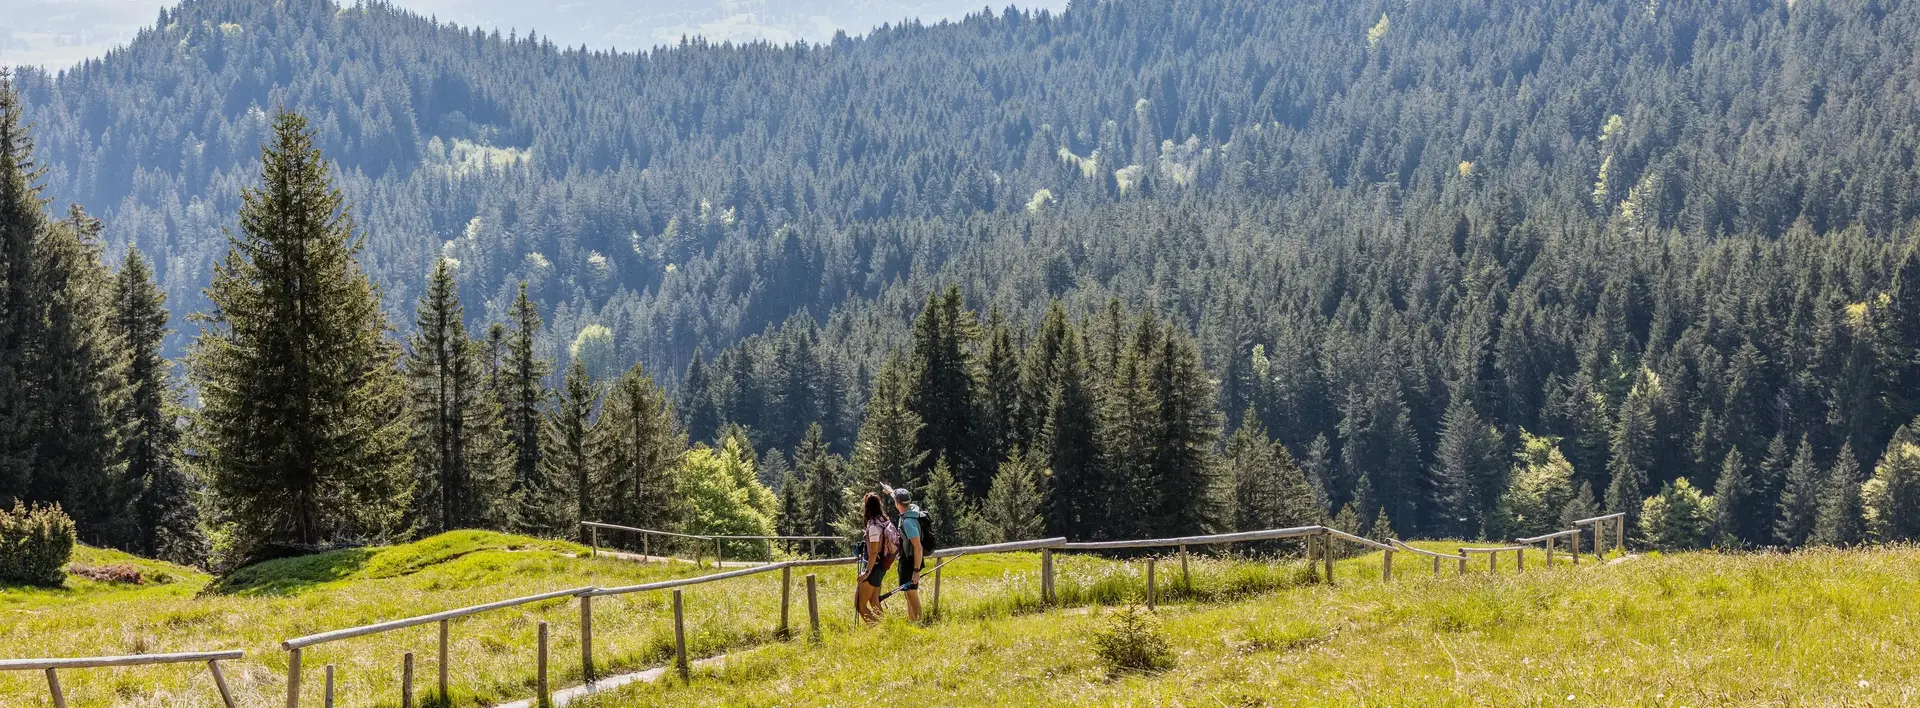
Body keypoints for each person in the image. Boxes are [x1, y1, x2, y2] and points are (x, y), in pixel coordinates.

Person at [855, 492, 899, 624]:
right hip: (881, 567)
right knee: (874, 602)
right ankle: (886, 628)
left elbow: (874, 552)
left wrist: (866, 573)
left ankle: (880, 631)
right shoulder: (884, 521)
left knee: (859, 605)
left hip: (873, 568)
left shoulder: (874, 526)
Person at [891, 486, 928, 622]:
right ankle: (912, 621)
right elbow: (896, 496)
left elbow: (918, 547)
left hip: (912, 561)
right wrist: (890, 491)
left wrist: (916, 570)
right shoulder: (911, 510)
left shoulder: (908, 522)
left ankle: (919, 624)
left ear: (897, 504)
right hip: (909, 559)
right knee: (908, 594)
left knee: (912, 594)